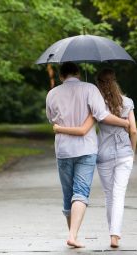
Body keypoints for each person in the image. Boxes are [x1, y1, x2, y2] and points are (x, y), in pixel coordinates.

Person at [46, 63, 130, 248]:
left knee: (68, 194)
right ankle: (72, 235)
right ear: (77, 73)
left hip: (63, 150)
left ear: (61, 76)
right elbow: (102, 115)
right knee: (81, 192)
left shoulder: (52, 94)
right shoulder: (90, 89)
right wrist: (124, 123)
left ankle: (72, 235)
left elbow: (51, 119)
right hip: (86, 150)